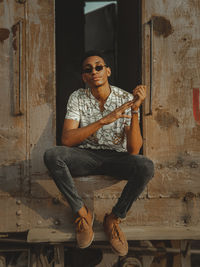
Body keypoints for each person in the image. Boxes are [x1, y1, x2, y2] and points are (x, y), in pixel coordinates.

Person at [44, 50, 154, 256]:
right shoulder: (78, 97)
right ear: (84, 77)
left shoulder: (125, 98)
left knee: (146, 165)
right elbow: (67, 140)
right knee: (52, 155)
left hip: (117, 158)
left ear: (108, 71)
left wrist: (135, 110)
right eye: (88, 69)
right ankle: (83, 214)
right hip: (86, 155)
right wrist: (104, 120)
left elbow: (133, 150)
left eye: (99, 67)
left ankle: (113, 219)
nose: (94, 71)